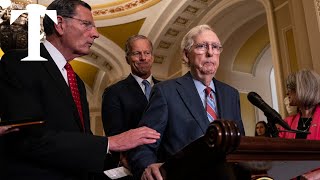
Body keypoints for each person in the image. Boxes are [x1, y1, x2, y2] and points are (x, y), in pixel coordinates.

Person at [0, 0, 159, 179]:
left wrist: (121, 162)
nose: (96, 34)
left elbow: (81, 139)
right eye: (87, 24)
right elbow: (27, 140)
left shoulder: (76, 80)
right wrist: (110, 143)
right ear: (60, 24)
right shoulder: (19, 64)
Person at [128, 24, 245, 180]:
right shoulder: (166, 92)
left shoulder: (231, 94)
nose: (210, 53)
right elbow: (144, 145)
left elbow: (240, 143)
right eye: (202, 46)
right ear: (185, 55)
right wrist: (148, 168)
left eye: (215, 47)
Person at [101, 35, 160, 172]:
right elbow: (115, 135)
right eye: (136, 53)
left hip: (166, 162)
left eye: (147, 53)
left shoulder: (166, 89)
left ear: (152, 57)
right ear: (127, 59)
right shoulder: (113, 92)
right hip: (134, 165)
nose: (143, 58)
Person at [279, 69, 320, 180]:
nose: (287, 93)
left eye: (292, 89)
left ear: (305, 89)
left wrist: (316, 175)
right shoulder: (286, 123)